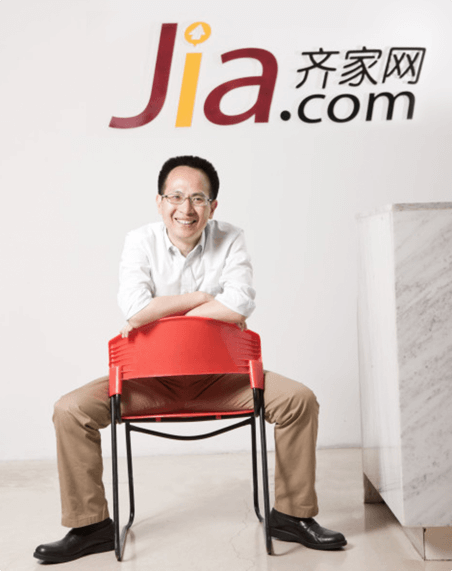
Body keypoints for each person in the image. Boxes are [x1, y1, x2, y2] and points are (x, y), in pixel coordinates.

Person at [34, 155, 346, 563]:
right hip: (148, 384)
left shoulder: (230, 238)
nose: (186, 208)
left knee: (298, 399)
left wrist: (160, 316)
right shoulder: (140, 241)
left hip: (223, 381)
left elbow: (239, 303)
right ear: (160, 202)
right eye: (176, 197)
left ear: (213, 206)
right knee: (69, 410)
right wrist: (201, 300)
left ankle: (292, 515)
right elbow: (134, 309)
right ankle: (90, 526)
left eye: (198, 198)